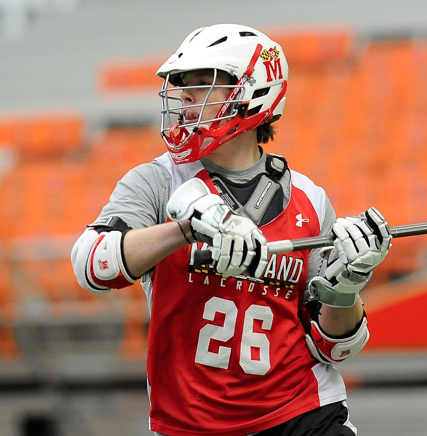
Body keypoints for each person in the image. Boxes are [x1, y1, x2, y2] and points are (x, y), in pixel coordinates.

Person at [71, 24, 391, 436]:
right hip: (191, 424)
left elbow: (333, 346)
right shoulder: (156, 181)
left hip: (301, 413)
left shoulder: (309, 199)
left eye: (204, 83)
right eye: (183, 84)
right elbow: (90, 264)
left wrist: (346, 287)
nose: (186, 96)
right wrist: (185, 229)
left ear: (253, 91)